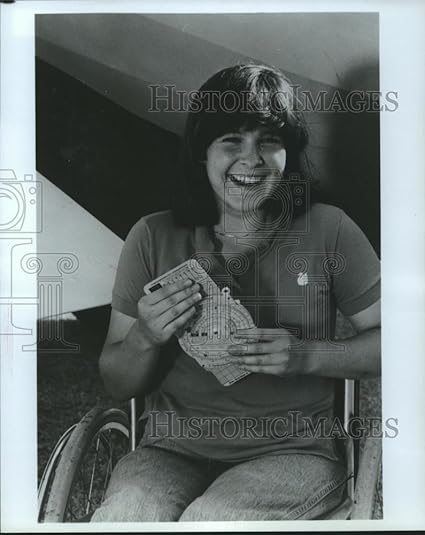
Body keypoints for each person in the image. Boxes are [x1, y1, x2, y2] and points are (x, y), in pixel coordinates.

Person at [91, 63, 381, 521]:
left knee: (210, 521)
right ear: (201, 153)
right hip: (170, 452)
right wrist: (145, 336)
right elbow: (117, 383)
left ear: (289, 151)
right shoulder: (152, 236)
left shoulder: (330, 229)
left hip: (293, 454)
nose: (252, 159)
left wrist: (306, 355)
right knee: (126, 516)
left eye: (269, 141)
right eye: (231, 141)